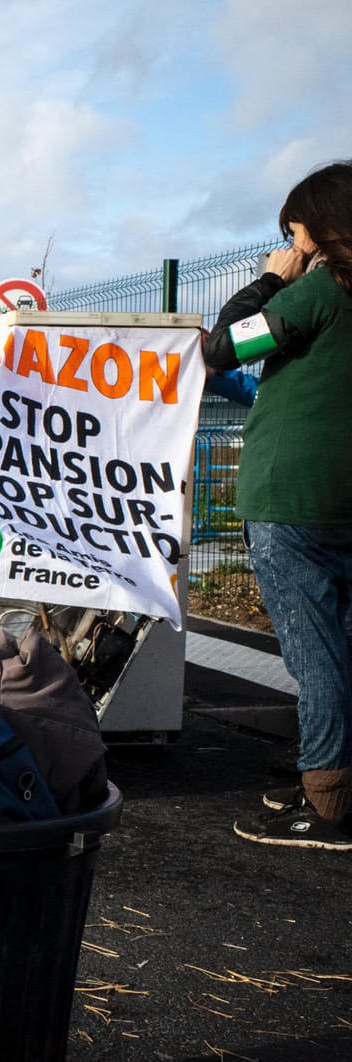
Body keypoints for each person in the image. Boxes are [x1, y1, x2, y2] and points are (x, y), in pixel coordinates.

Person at [204, 160, 352, 850]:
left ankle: (324, 803)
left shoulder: (316, 291)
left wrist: (271, 278)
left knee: (314, 647)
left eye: (293, 232)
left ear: (319, 229)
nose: (289, 244)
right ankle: (333, 768)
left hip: (294, 496)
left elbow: (223, 345)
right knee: (341, 644)